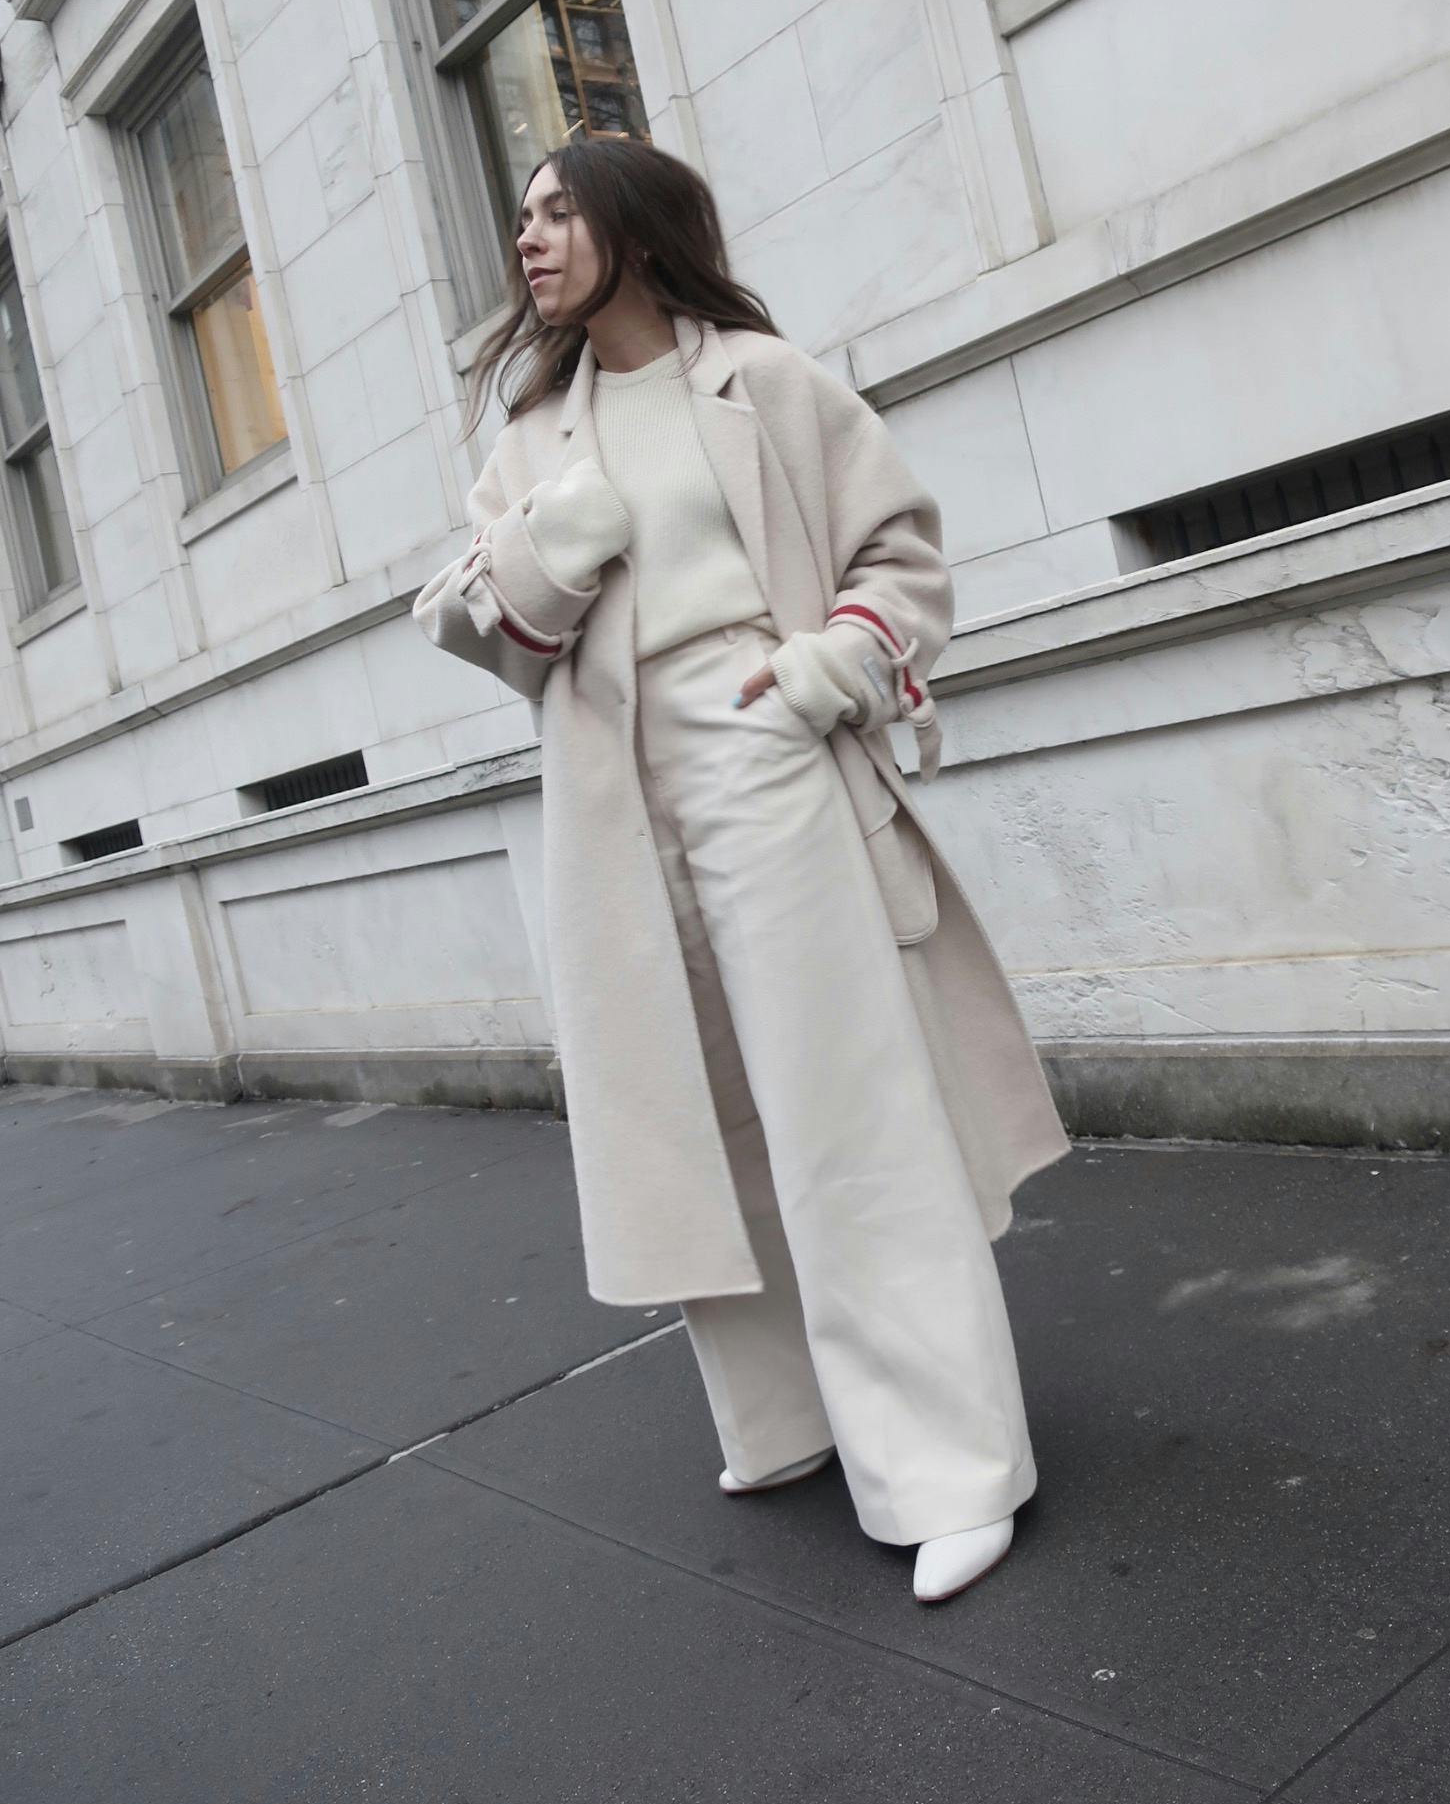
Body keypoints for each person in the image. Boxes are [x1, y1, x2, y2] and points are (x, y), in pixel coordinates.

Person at [413, 138, 1069, 1602]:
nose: (528, 239)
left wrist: (832, 666)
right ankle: (788, 1415)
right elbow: (497, 637)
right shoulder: (533, 439)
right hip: (611, 797)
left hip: (763, 752)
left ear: (639, 230)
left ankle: (950, 1466)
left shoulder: (763, 381)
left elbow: (901, 552)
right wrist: (558, 543)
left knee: (843, 1106)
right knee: (699, 1114)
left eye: (557, 211)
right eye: (520, 216)